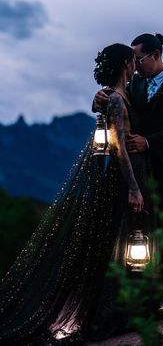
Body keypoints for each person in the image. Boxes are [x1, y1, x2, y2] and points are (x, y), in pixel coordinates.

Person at [0, 43, 154, 345]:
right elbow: (118, 146)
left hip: (133, 174)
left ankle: (126, 308)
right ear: (125, 63)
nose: (135, 65)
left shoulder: (119, 94)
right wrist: (133, 187)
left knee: (126, 241)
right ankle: (111, 314)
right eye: (132, 60)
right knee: (118, 242)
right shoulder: (116, 99)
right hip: (125, 177)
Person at [94, 33, 163, 224]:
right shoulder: (133, 83)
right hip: (141, 166)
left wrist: (148, 142)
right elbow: (118, 104)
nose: (134, 66)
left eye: (138, 60)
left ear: (156, 55)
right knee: (142, 224)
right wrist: (99, 98)